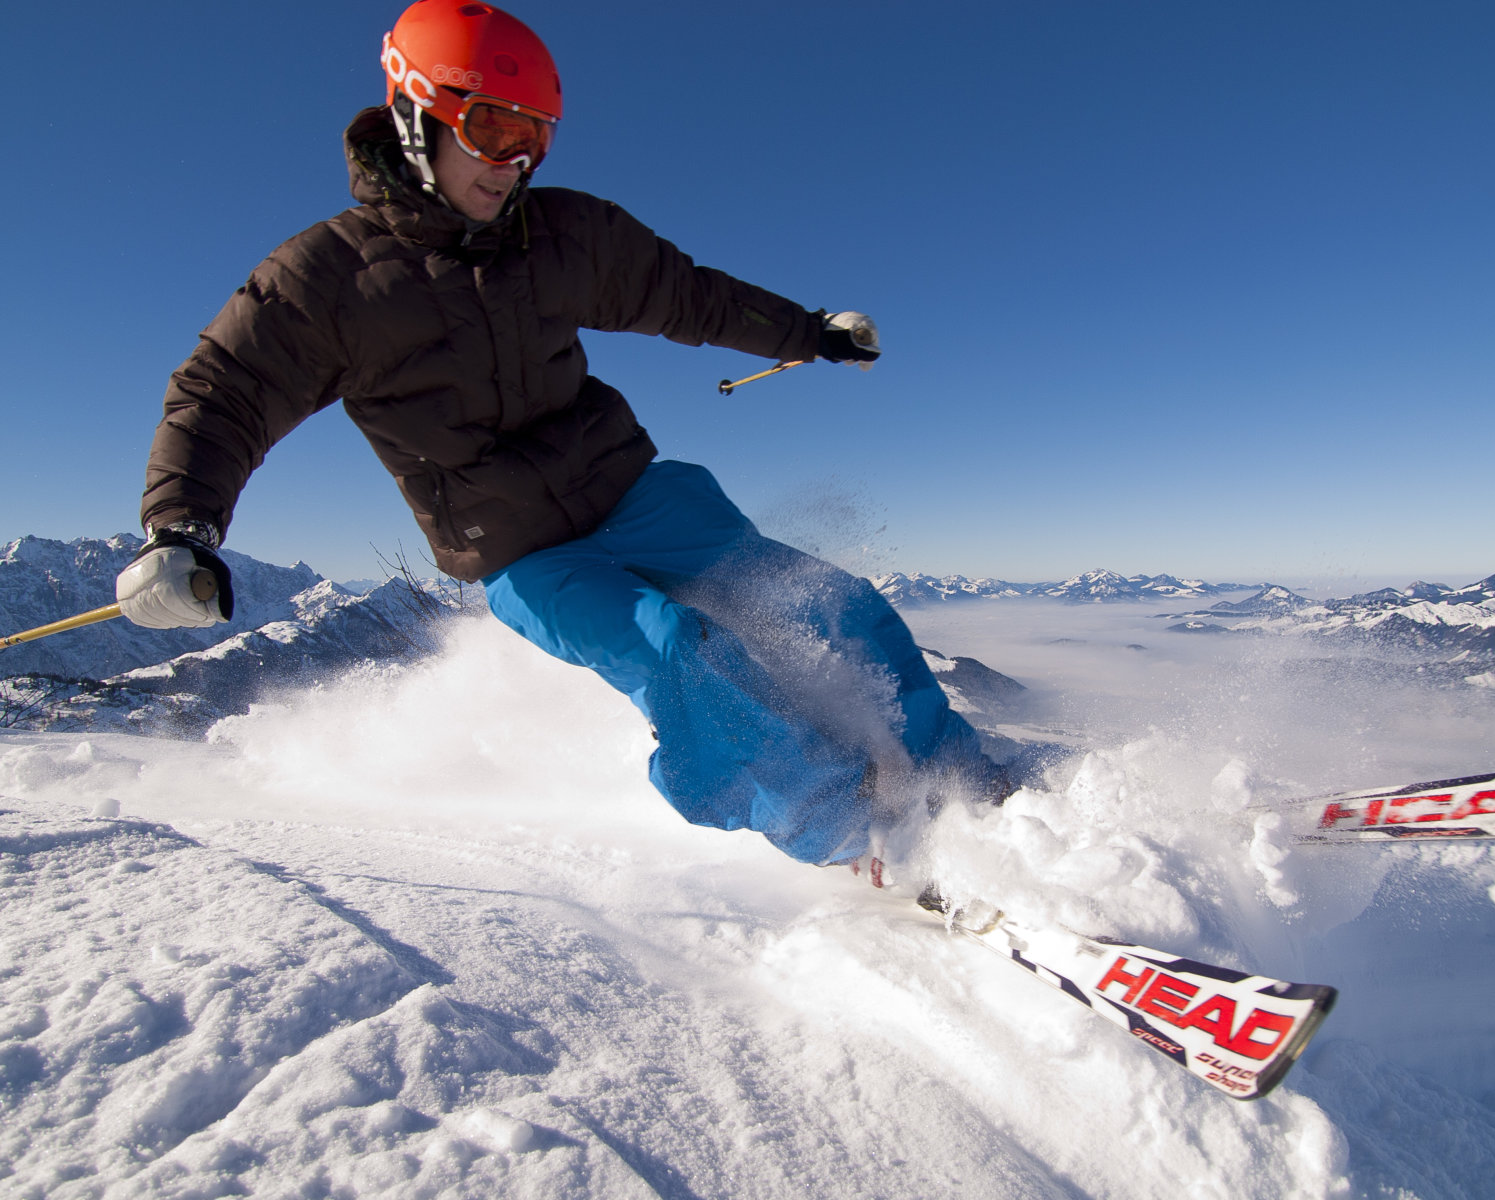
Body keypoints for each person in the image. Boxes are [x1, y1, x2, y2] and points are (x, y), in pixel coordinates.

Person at [115, 0, 1008, 869]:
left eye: (536, 137)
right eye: (494, 128)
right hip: (523, 553)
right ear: (417, 115)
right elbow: (225, 391)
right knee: (678, 649)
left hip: (635, 490)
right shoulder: (327, 281)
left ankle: (966, 785)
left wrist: (809, 332)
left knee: (828, 605)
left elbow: (688, 294)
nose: (515, 162)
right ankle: (853, 836)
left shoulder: (560, 235)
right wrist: (180, 526)